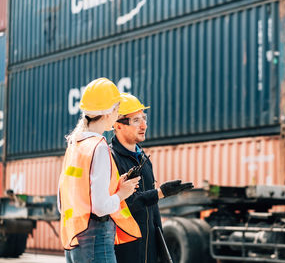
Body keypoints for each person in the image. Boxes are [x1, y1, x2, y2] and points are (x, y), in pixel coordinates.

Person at [58, 78, 142, 263]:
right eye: (117, 108)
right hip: (97, 239)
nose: (118, 113)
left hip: (75, 236)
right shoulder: (99, 146)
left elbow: (63, 199)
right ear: (107, 113)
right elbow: (101, 207)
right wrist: (122, 193)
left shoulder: (75, 145)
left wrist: (114, 188)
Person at [111, 93, 193, 263]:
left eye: (144, 118)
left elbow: (153, 211)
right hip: (125, 251)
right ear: (118, 125)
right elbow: (123, 205)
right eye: (136, 120)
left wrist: (160, 246)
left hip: (149, 251)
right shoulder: (111, 159)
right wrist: (160, 193)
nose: (144, 125)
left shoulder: (144, 160)